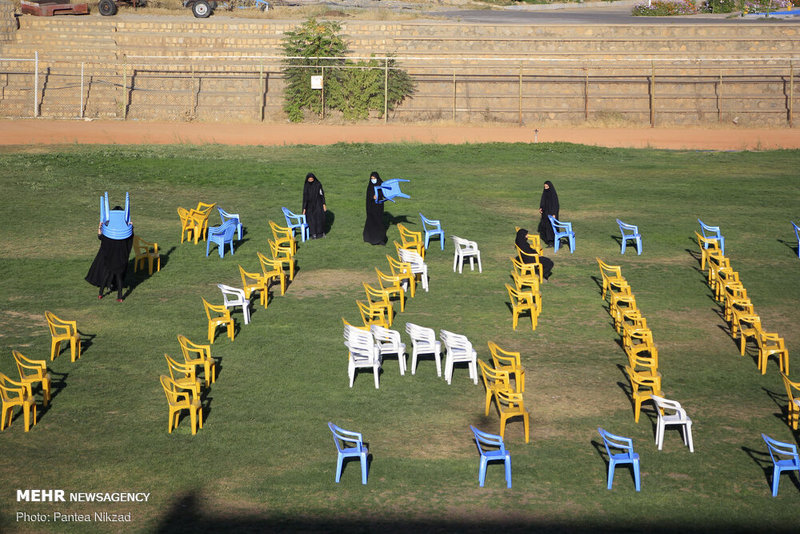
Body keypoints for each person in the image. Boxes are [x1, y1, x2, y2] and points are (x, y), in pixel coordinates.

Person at [85, 208, 134, 301]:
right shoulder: (123, 237)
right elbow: (130, 238)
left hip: (111, 258)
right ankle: (120, 297)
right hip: (120, 259)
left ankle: (100, 294)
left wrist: (100, 227)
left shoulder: (109, 236)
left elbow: (100, 237)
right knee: (118, 278)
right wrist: (131, 227)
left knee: (107, 275)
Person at [363, 171, 387, 245]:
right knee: (372, 222)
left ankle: (380, 239)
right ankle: (371, 238)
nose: (373, 180)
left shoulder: (381, 184)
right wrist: (372, 196)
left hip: (379, 208)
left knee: (379, 222)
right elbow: (368, 196)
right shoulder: (370, 186)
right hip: (372, 208)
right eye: (371, 178)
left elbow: (384, 193)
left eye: (374, 178)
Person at [302, 172, 327, 239]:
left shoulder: (318, 185)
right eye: (309, 180)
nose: (310, 181)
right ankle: (313, 234)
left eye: (311, 180)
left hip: (318, 204)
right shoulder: (306, 186)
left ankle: (321, 233)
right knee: (311, 219)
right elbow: (305, 197)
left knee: (320, 218)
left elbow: (322, 195)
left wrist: (324, 204)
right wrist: (304, 208)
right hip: (310, 206)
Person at [538, 180, 560, 247]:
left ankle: (556, 241)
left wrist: (554, 214)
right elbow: (543, 201)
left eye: (547, 186)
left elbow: (555, 205)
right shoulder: (544, 193)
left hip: (552, 213)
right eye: (545, 186)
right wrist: (541, 208)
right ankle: (549, 242)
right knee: (546, 227)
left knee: (553, 227)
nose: (546, 187)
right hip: (545, 213)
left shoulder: (553, 194)